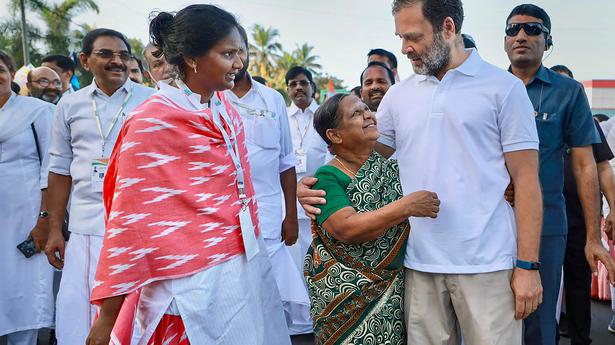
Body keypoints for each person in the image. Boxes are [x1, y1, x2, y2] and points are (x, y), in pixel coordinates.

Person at [300, 0, 545, 343]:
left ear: (447, 27)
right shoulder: (399, 96)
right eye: (400, 37)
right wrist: (312, 185)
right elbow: (357, 157)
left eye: (413, 37)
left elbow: (527, 181)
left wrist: (527, 266)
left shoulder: (504, 89)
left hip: (488, 265)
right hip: (416, 267)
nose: (405, 48)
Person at [86, 5, 290, 345]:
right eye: (227, 53)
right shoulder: (151, 122)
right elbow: (130, 223)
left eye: (240, 52)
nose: (239, 64)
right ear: (193, 58)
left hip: (241, 269)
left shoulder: (225, 112)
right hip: (183, 286)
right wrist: (107, 319)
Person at [504, 5, 615, 344]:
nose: (522, 36)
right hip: (491, 221)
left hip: (548, 223)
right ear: (505, 40)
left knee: (538, 319)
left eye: (533, 29)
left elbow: (586, 164)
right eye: (513, 29)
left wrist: (593, 238)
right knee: (490, 317)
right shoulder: (488, 87)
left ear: (548, 41)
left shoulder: (568, 92)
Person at [44, 28, 155, 345]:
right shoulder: (70, 105)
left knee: (133, 314)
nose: (117, 61)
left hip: (135, 226)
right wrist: (54, 228)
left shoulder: (150, 101)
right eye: (106, 54)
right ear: (84, 60)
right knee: (78, 309)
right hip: (85, 225)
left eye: (123, 55)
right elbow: (59, 168)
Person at [305, 93, 439, 344]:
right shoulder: (326, 177)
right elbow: (346, 228)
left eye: (367, 109)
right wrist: (406, 206)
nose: (368, 115)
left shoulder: (393, 168)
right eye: (356, 113)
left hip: (391, 292)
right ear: (335, 135)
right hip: (345, 299)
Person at [225, 25, 311, 336]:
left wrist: (290, 215)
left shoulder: (272, 99)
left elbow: (286, 163)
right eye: (227, 52)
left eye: (239, 50)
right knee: (237, 292)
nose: (235, 59)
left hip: (271, 214)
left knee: (273, 293)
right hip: (228, 217)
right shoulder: (212, 98)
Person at [0, 50, 55, 345]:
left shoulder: (37, 112)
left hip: (27, 215)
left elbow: (52, 167)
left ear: (11, 73)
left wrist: (46, 219)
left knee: (24, 288)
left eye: (0, 69)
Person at [562, 120, 615, 345]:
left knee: (578, 285)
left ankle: (580, 338)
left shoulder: (587, 123)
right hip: (541, 219)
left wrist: (614, 207)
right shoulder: (530, 113)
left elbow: (603, 166)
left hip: (583, 219)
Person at [286, 66, 329, 271]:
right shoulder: (282, 117)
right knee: (294, 263)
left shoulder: (326, 114)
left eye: (303, 83)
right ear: (288, 90)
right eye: (293, 84)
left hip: (320, 197)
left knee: (319, 261)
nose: (298, 88)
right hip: (289, 201)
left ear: (312, 87)